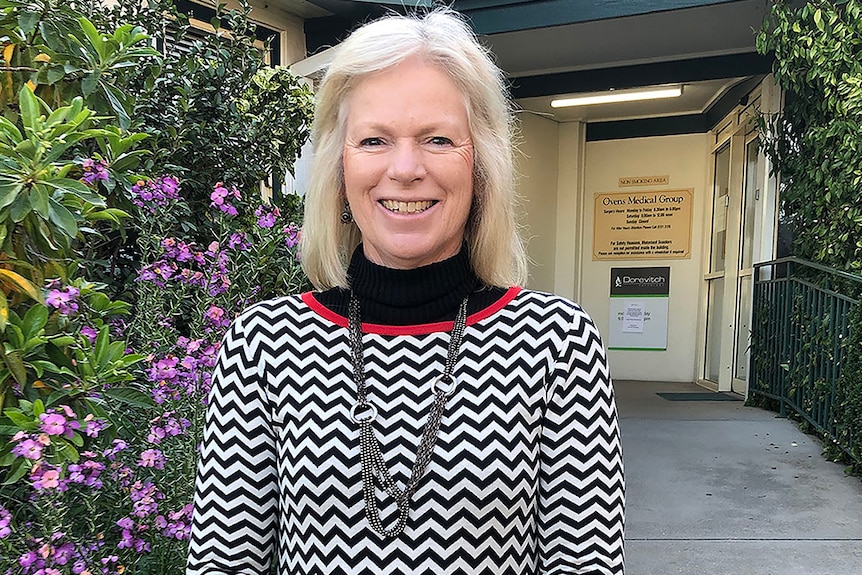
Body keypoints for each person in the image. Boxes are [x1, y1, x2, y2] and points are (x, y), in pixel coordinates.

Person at [187, 9, 625, 575]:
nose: (406, 168)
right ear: (339, 167)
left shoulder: (554, 345)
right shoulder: (266, 346)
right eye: (374, 140)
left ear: (481, 164)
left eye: (437, 139)